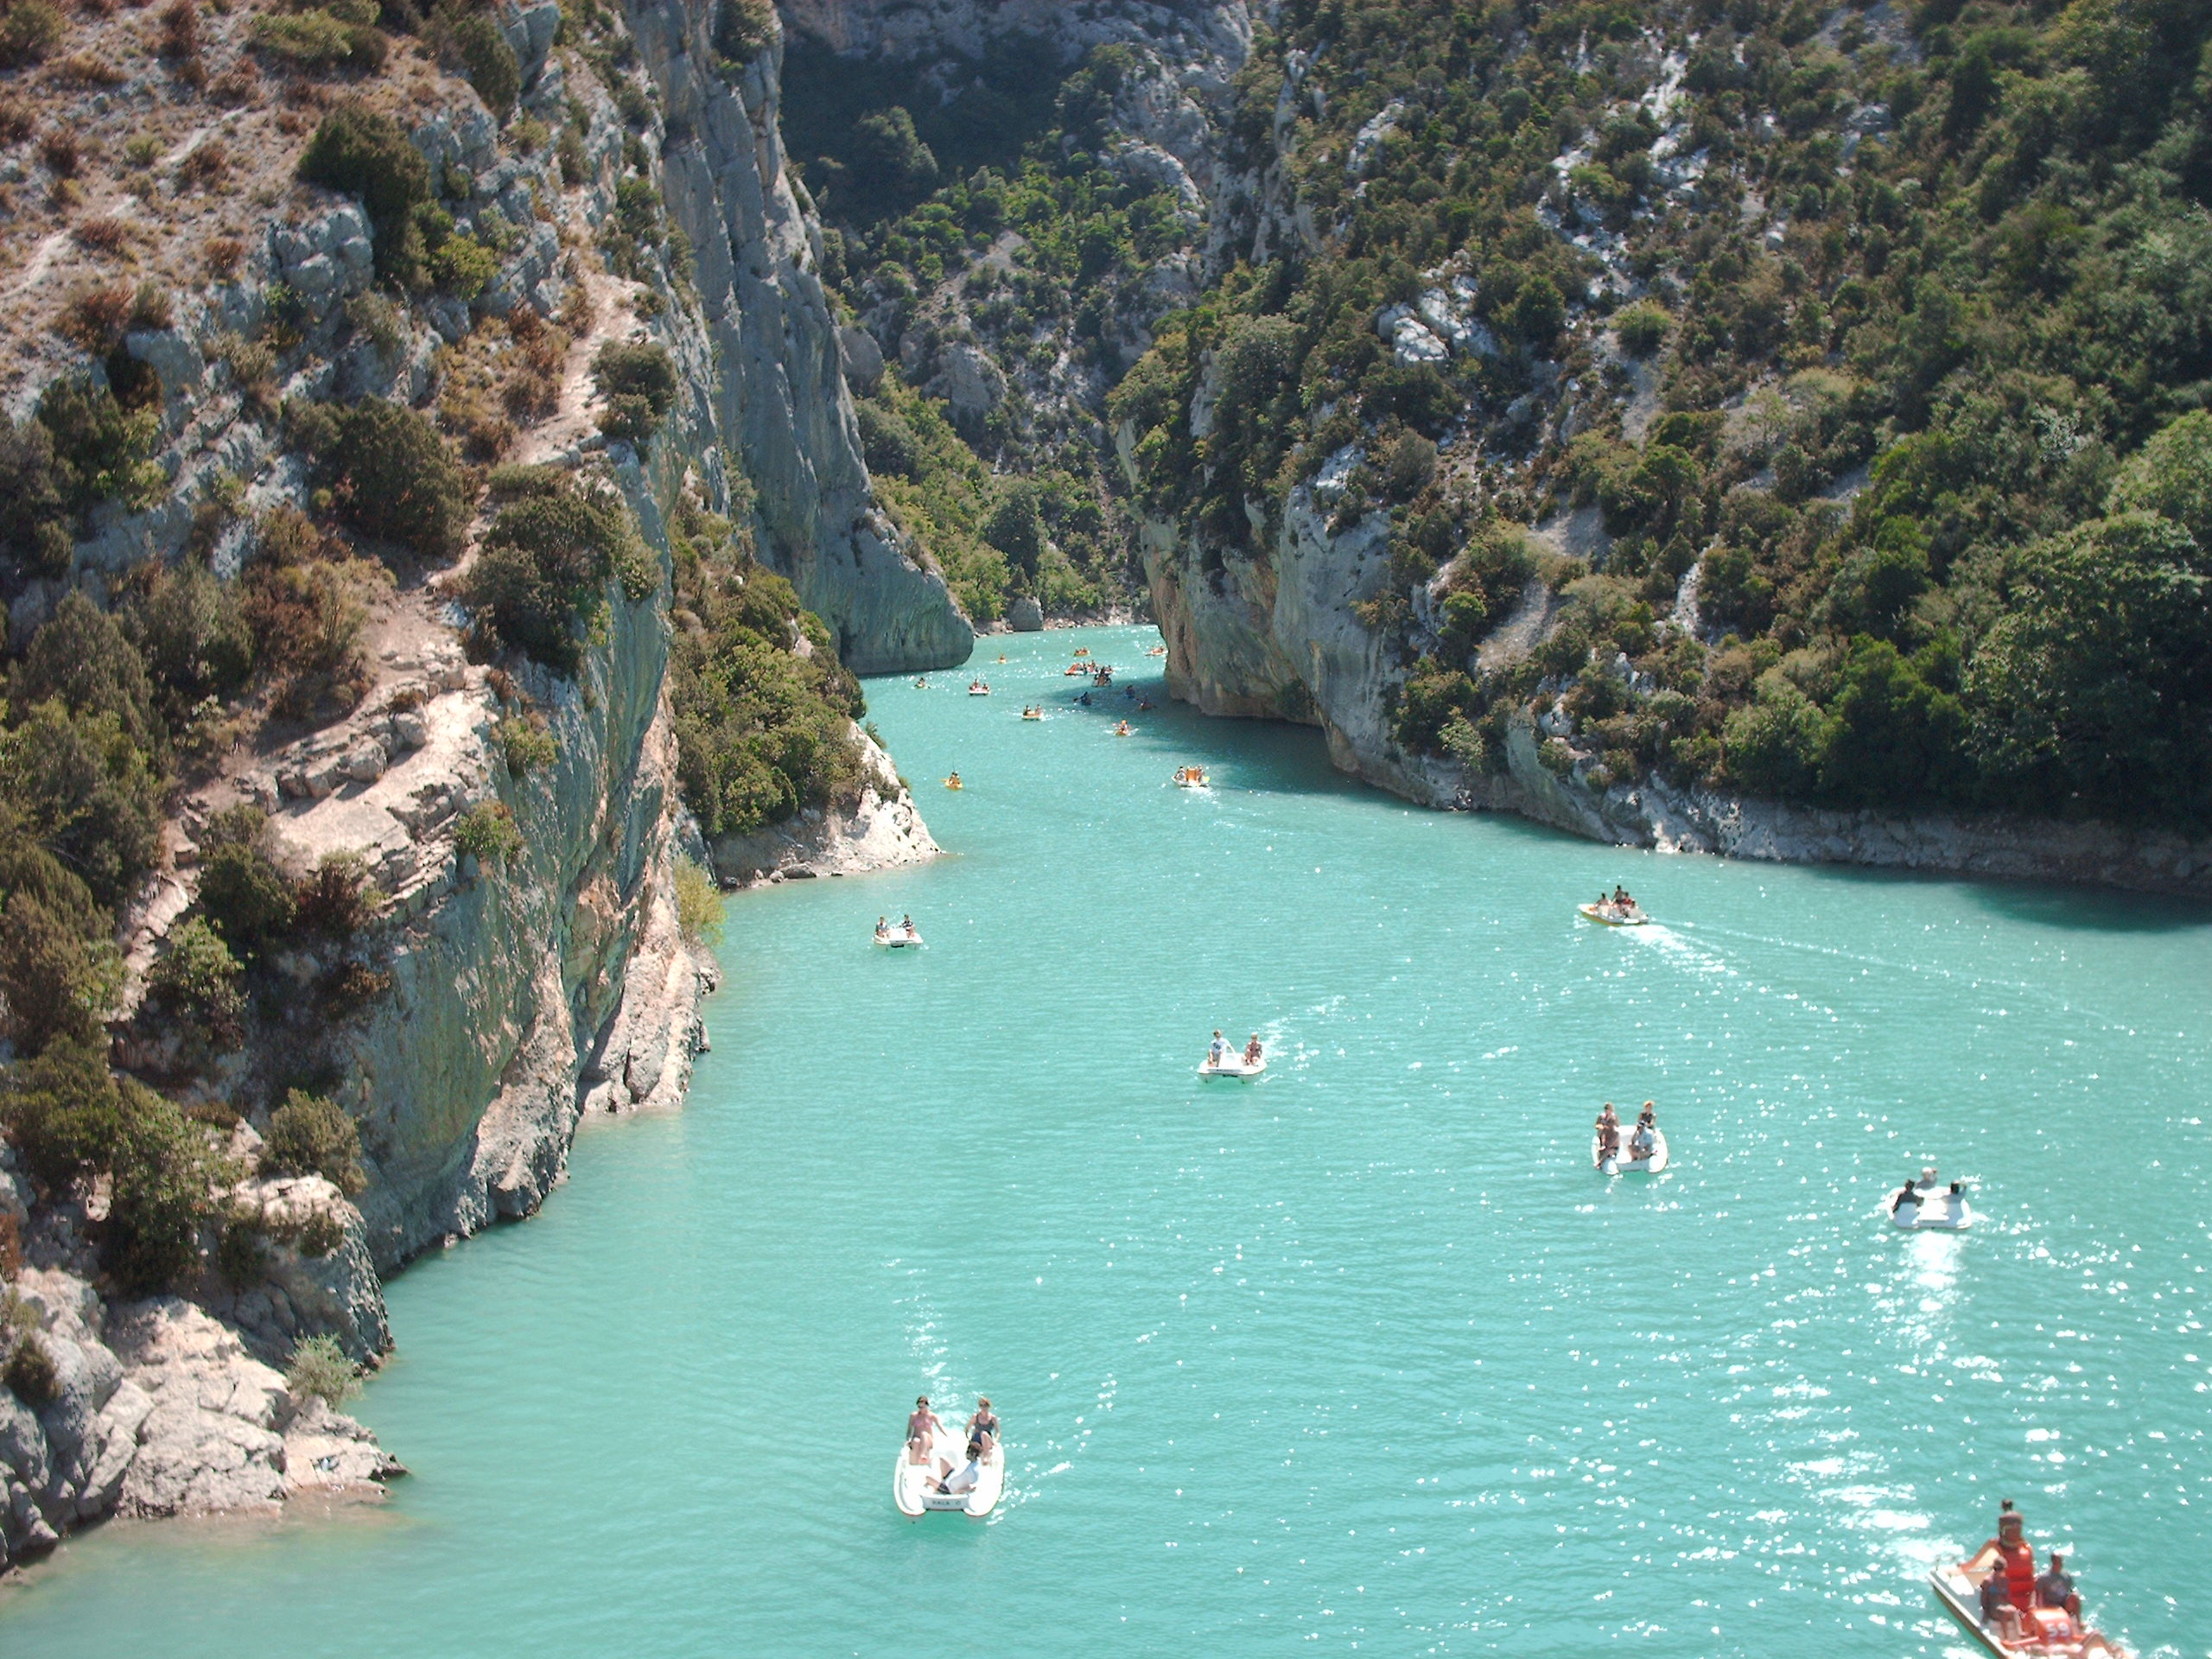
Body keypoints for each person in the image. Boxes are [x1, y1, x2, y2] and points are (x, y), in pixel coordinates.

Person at [1964, 1503, 2037, 1612]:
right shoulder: (2019, 1518)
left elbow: (2001, 1532)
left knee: (1990, 1544)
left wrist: (1999, 1542)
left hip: (2007, 1544)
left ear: (2003, 1507)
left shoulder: (2003, 1519)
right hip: (2018, 1543)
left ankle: (1966, 1567)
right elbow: (2019, 1534)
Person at [2037, 1552, 2079, 1618]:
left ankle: (2078, 1621)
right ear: (2053, 1562)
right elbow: (2040, 1595)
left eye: (2060, 1561)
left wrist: (2073, 1596)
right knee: (2059, 1609)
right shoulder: (2044, 1578)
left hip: (2063, 1603)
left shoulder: (2067, 1576)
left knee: (2075, 1596)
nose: (2060, 1564)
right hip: (2051, 1604)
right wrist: (2040, 1611)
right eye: (2057, 1562)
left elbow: (2071, 1590)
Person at [906, 1396, 943, 1464]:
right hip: (917, 1438)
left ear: (927, 1406)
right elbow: (909, 1430)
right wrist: (908, 1440)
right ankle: (915, 1464)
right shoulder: (913, 1416)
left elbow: (941, 1428)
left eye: (922, 1407)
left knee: (924, 1434)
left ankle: (923, 1455)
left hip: (928, 1440)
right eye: (919, 1407)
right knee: (915, 1441)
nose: (920, 1409)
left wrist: (947, 1436)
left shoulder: (932, 1416)